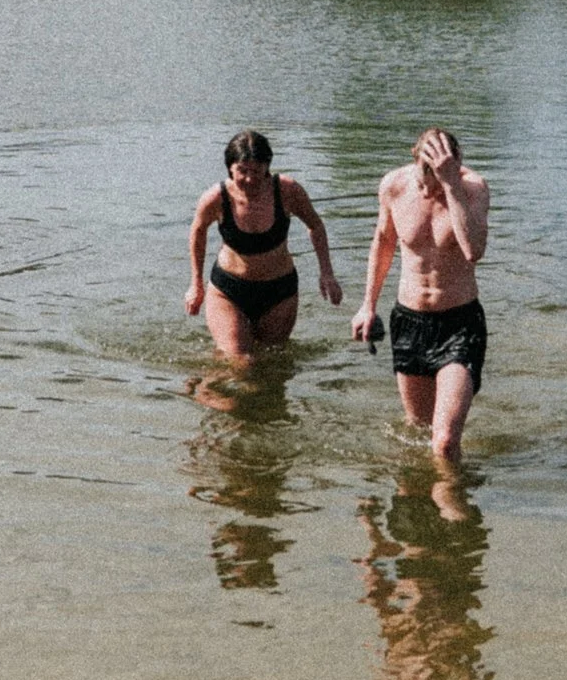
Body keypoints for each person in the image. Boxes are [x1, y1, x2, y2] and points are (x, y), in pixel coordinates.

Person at [353, 128, 488, 463]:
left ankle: (451, 508)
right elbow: (383, 243)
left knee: (443, 442)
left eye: (438, 175)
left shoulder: (472, 189)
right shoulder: (394, 186)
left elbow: (473, 251)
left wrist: (451, 186)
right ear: (415, 158)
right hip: (410, 321)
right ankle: (419, 506)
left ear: (457, 166)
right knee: (417, 430)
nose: (429, 186)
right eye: (424, 174)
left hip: (459, 323)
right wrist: (367, 306)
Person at [185, 129, 342, 360]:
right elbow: (198, 232)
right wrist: (196, 283)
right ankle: (209, 392)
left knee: (272, 362)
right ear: (230, 168)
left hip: (279, 291)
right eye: (242, 171)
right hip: (229, 290)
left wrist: (327, 273)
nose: (249, 179)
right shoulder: (215, 198)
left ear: (267, 166)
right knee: (240, 362)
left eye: (257, 171)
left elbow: (315, 225)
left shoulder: (288, 191)